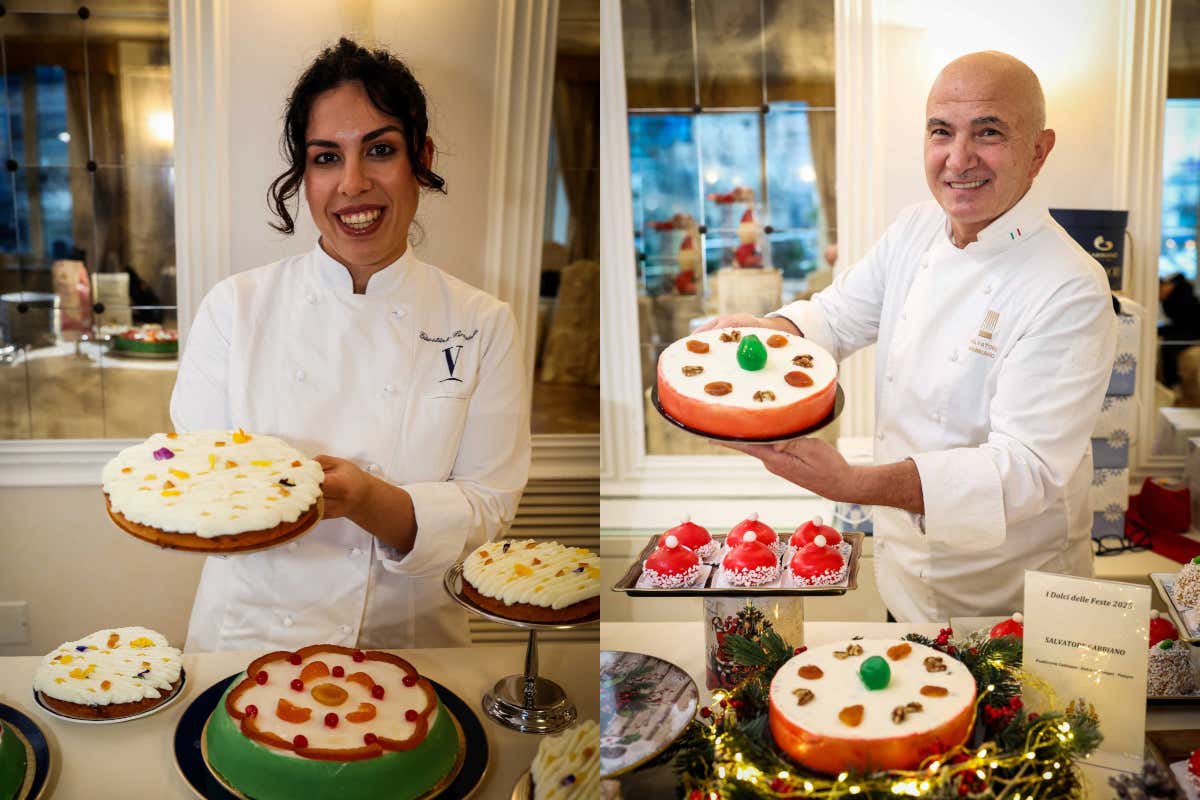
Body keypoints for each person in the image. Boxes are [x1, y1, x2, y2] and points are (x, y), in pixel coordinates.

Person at [699, 51, 1117, 622]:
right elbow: (837, 316)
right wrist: (772, 331)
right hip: (902, 577)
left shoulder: (1070, 286)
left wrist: (853, 483)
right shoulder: (915, 228)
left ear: (1039, 151)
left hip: (1008, 603)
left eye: (988, 132)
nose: (958, 158)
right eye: (941, 131)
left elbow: (1025, 471)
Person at [170, 38, 531, 651]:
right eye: (326, 158)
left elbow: (487, 509)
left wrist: (368, 499)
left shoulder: (481, 322)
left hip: (407, 642)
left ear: (421, 158)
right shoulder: (235, 308)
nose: (353, 184)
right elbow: (199, 479)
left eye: (380, 150)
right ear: (304, 175)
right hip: (247, 636)